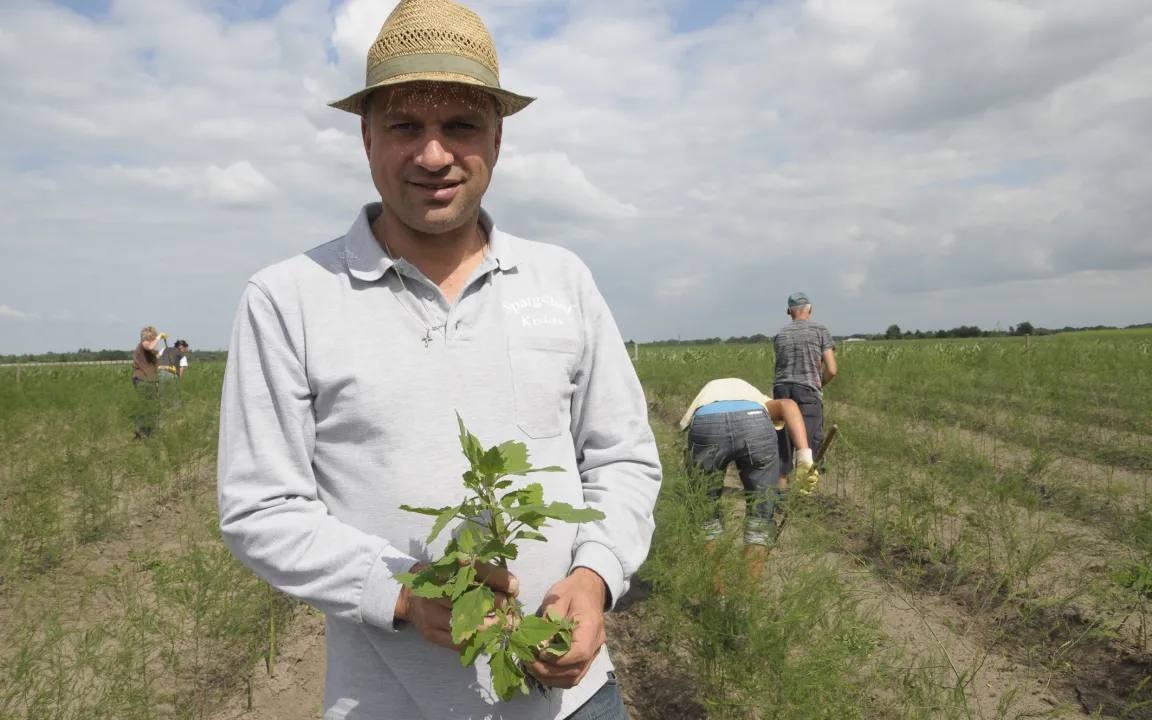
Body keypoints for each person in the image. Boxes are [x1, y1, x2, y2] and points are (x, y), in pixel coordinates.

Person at [215, 2, 662, 719]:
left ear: (497, 134)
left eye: (459, 125)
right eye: (404, 126)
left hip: (574, 701)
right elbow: (259, 506)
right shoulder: (287, 298)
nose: (433, 154)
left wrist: (595, 576)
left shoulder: (562, 280)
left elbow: (623, 457)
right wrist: (398, 590)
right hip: (385, 705)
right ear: (366, 137)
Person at [678, 378, 819, 580]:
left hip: (706, 423)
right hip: (755, 422)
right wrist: (805, 459)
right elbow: (788, 404)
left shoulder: (705, 397)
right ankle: (742, 601)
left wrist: (692, 482)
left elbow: (687, 444)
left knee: (706, 515)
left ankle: (718, 596)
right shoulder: (758, 400)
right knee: (760, 518)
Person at [773, 292, 837, 475]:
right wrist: (818, 384)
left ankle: (781, 492)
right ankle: (804, 495)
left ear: (788, 311)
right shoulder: (819, 330)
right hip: (807, 392)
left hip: (781, 392)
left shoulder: (780, 334)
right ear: (810, 310)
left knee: (783, 443)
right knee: (809, 443)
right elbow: (832, 369)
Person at [130, 326, 161, 438]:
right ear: (149, 336)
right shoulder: (144, 344)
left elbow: (154, 365)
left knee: (148, 406)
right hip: (144, 380)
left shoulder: (148, 353)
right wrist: (159, 337)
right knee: (148, 406)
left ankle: (143, 431)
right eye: (153, 336)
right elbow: (150, 346)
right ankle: (144, 432)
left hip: (149, 380)